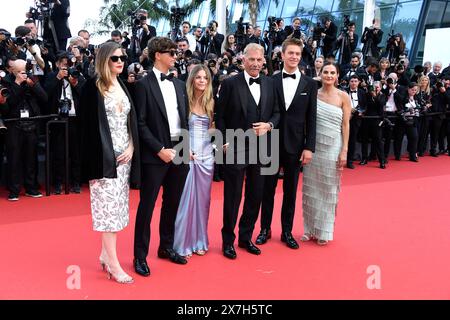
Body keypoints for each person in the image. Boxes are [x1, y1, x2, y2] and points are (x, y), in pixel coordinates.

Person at [79, 42, 140, 284]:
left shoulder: (122, 85)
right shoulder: (92, 88)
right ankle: (114, 265)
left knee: (117, 209)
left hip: (124, 158)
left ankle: (105, 254)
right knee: (108, 212)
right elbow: (85, 130)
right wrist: (105, 154)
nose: (120, 62)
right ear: (104, 60)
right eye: (115, 58)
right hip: (104, 160)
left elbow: (130, 121)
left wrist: (132, 146)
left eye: (122, 57)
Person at [215, 43, 280, 259]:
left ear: (264, 61)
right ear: (243, 60)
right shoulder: (231, 84)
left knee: (255, 195)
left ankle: (245, 237)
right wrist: (223, 142)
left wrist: (269, 126)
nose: (255, 63)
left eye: (258, 59)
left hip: (263, 147)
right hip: (236, 145)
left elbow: (277, 113)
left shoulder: (270, 84)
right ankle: (227, 241)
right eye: (251, 59)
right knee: (232, 196)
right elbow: (220, 115)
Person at [133, 37, 190, 277]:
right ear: (158, 55)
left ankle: (166, 247)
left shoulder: (178, 84)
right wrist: (159, 149)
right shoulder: (143, 85)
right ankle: (139, 256)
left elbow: (183, 120)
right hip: (155, 154)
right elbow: (140, 123)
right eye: (171, 52)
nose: (175, 56)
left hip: (180, 149)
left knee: (172, 204)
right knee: (147, 206)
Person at [258, 37, 317, 249]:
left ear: (301, 57)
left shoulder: (310, 84)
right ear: (282, 55)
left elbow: (312, 118)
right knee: (267, 189)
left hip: (296, 145)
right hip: (270, 143)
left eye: (297, 54)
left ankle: (286, 231)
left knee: (291, 191)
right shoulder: (270, 81)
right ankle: (265, 229)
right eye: (290, 53)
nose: (294, 57)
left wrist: (309, 147)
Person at [301, 62, 351, 245]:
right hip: (314, 147)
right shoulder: (313, 94)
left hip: (333, 146)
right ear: (320, 74)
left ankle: (324, 231)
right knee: (311, 189)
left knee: (328, 189)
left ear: (337, 75)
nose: (329, 76)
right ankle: (309, 229)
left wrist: (344, 150)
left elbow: (346, 125)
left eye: (332, 73)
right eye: (325, 72)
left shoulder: (343, 97)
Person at [173, 65, 215, 257]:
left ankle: (199, 241)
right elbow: (178, 127)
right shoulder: (184, 101)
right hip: (188, 154)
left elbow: (213, 129)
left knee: (203, 201)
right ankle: (182, 243)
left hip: (207, 157)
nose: (201, 81)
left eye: (205, 78)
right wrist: (184, 147)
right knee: (185, 200)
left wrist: (218, 143)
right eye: (198, 77)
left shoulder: (211, 102)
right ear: (192, 79)